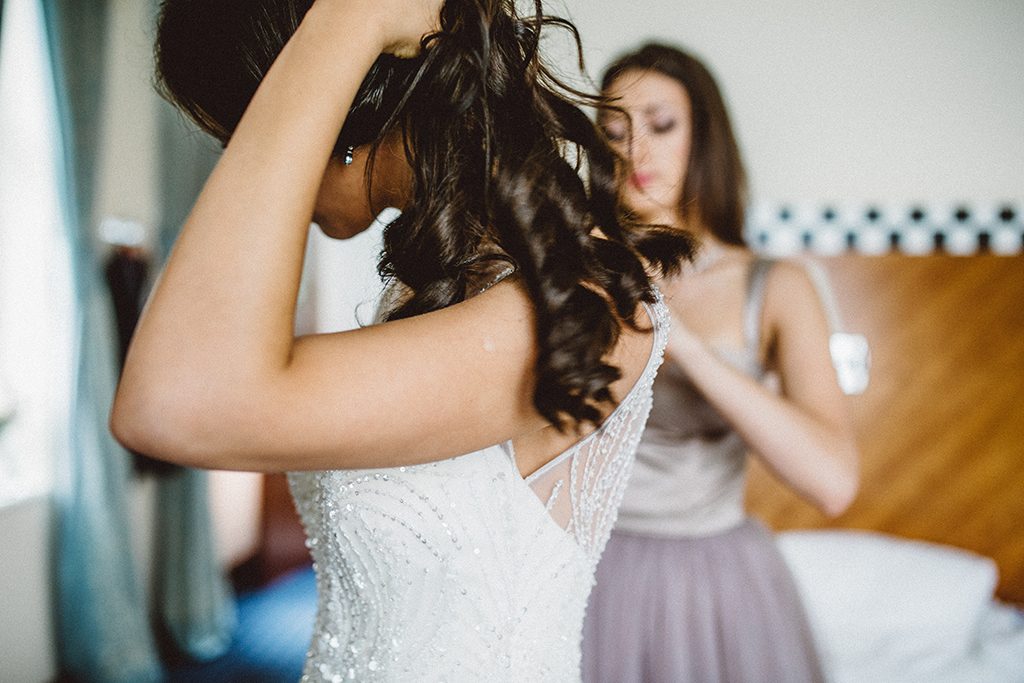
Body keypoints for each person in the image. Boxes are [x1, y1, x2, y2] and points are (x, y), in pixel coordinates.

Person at [110, 1, 694, 680]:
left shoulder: (581, 308)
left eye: (242, 134)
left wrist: (350, 19)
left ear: (340, 104)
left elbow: (171, 404)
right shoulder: (435, 282)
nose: (253, 165)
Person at [581, 43, 860, 683]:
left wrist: (678, 339)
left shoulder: (777, 285)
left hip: (710, 581)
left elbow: (833, 484)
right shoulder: (579, 275)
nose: (635, 152)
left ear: (705, 138)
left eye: (660, 125)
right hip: (586, 567)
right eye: (614, 133)